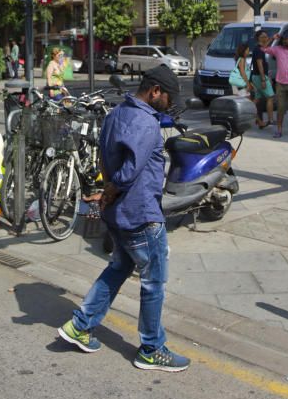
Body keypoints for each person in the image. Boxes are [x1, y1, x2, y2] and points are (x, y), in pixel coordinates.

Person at [57, 65, 191, 372]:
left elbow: (105, 158)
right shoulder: (145, 123)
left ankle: (80, 326)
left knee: (119, 267)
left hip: (119, 213)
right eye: (167, 97)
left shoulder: (116, 114)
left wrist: (107, 196)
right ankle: (151, 348)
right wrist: (108, 194)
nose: (169, 104)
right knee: (154, 281)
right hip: (140, 213)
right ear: (155, 90)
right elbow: (128, 173)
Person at [250, 30, 275, 129]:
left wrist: (273, 38)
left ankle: (247, 110)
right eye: (263, 37)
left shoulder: (259, 48)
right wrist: (263, 79)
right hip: (260, 77)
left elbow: (265, 46)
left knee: (257, 99)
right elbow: (260, 65)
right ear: (258, 38)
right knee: (270, 97)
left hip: (256, 77)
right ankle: (271, 120)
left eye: (266, 36)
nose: (266, 38)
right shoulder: (259, 50)